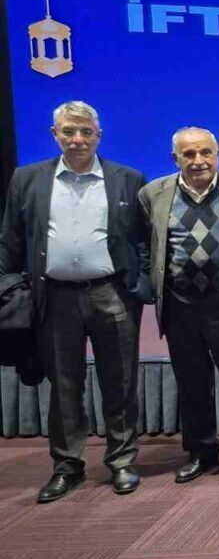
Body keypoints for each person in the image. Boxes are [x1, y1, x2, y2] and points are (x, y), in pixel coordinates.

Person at [0, 101, 148, 503]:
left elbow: (142, 239)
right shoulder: (27, 179)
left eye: (85, 132)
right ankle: (67, 466)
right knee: (64, 385)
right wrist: (10, 289)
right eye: (69, 131)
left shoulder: (128, 179)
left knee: (120, 381)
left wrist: (140, 284)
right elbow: (11, 241)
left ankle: (122, 461)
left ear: (99, 135)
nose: (78, 139)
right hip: (54, 296)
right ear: (55, 134)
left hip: (112, 292)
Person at [139, 127, 219, 483]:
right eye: (189, 154)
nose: (198, 161)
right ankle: (201, 452)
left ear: (217, 154)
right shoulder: (152, 194)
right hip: (180, 306)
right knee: (192, 384)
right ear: (175, 159)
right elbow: (145, 245)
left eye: (205, 152)